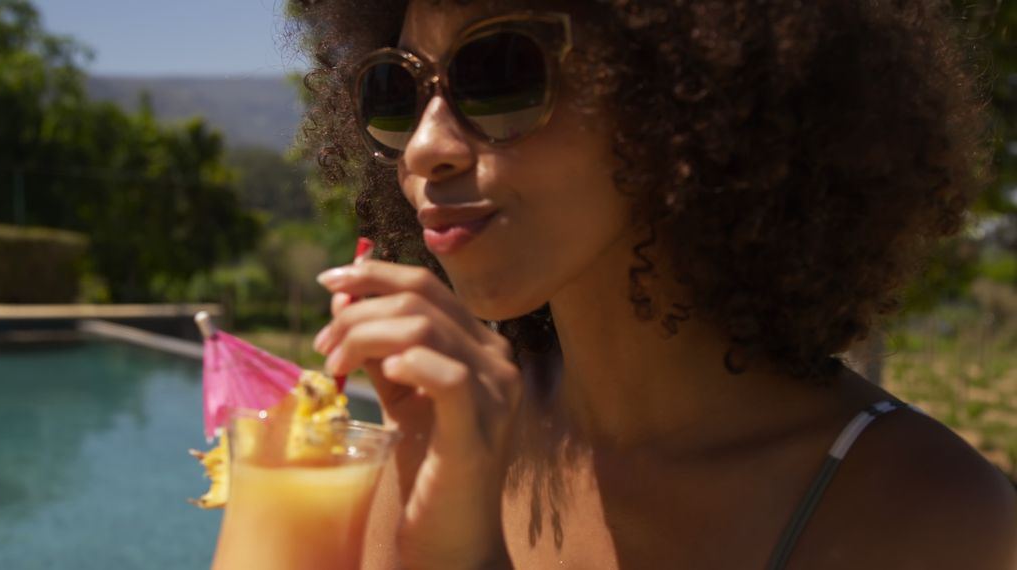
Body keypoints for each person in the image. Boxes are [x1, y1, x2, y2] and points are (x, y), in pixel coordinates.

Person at [292, 0, 1017, 568]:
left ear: (690, 88)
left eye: (501, 73)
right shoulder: (451, 429)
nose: (425, 146)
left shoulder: (927, 512)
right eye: (397, 90)